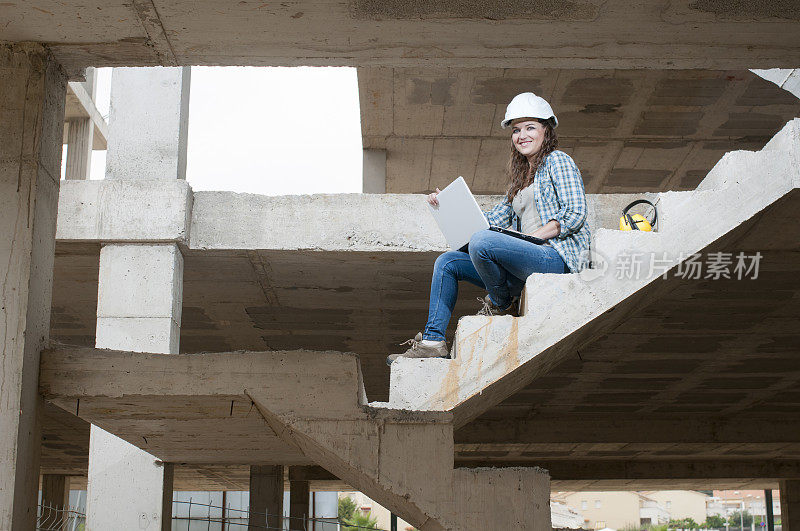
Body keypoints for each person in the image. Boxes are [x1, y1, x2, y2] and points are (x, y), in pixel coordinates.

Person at [387, 92, 591, 365]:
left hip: (554, 258)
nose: (522, 135)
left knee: (483, 242)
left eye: (530, 127)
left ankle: (500, 303)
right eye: (516, 130)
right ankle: (433, 342)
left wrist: (533, 238)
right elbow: (489, 223)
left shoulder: (558, 161)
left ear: (546, 130)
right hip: (524, 264)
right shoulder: (518, 182)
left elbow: (575, 213)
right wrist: (448, 205)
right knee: (447, 262)